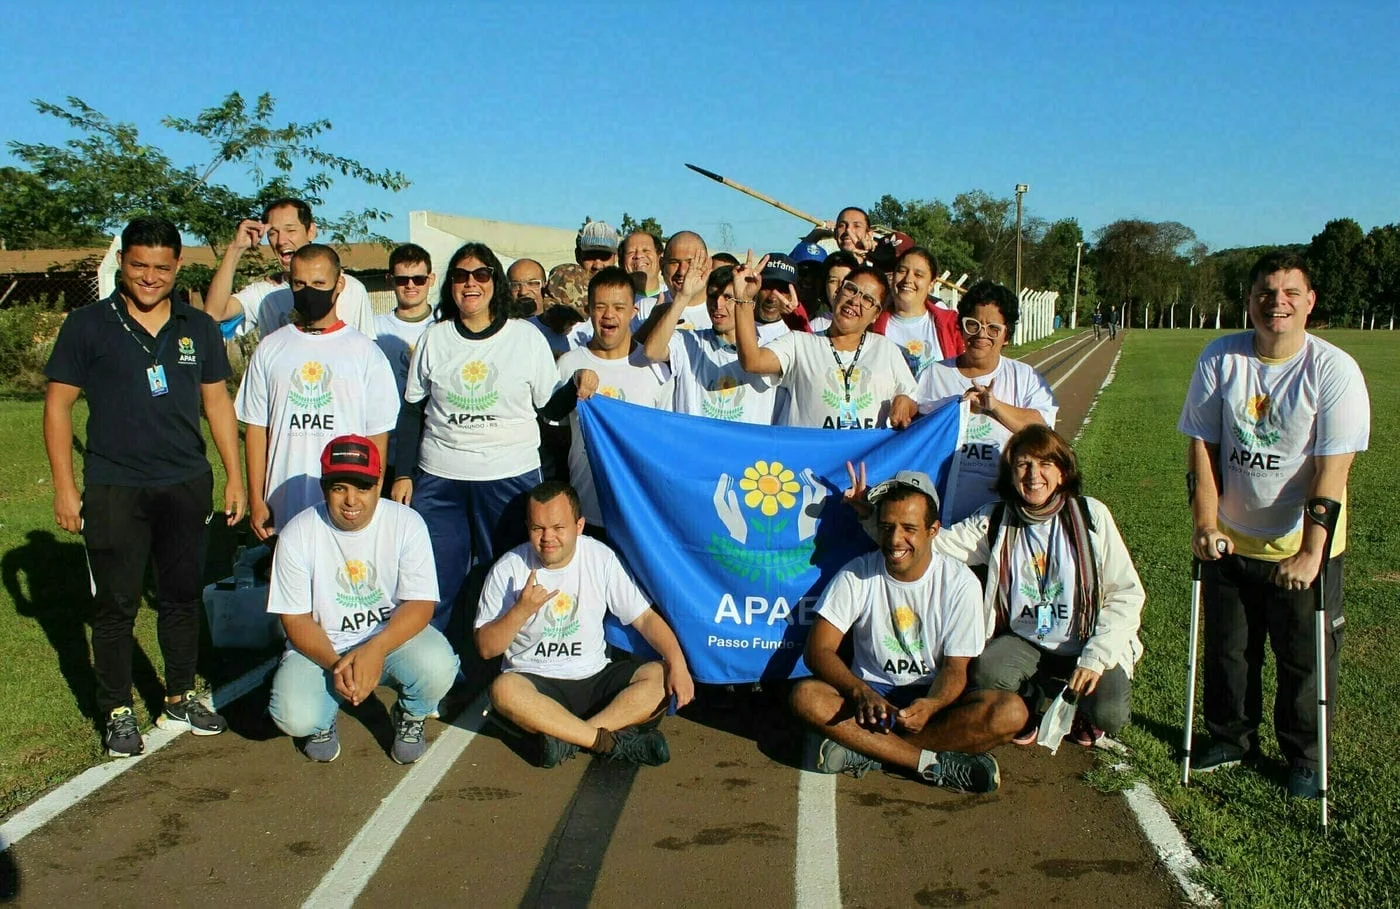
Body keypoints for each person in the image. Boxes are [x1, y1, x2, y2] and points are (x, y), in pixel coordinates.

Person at [43, 216, 245, 757]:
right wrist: (66, 488)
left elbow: (217, 403)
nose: (150, 277)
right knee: (116, 605)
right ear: (122, 264)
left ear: (177, 267)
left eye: (161, 267)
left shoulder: (198, 326)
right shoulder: (88, 325)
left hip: (184, 484)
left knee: (180, 597)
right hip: (115, 487)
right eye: (138, 266)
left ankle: (178, 695)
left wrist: (234, 476)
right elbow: (58, 406)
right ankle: (115, 709)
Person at [1178, 251, 1370, 799]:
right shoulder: (1221, 358)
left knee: (1303, 660)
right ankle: (1230, 737)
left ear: (1309, 302)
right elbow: (1204, 449)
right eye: (1265, 293)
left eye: (1289, 293)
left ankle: (1305, 755)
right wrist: (1204, 523)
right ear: (1250, 301)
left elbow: (1333, 470)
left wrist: (1311, 553)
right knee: (1228, 651)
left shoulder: (1333, 370)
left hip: (1299, 542)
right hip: (1232, 537)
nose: (1276, 303)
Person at [894, 426, 1146, 747]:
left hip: (1085, 641)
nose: (1033, 475)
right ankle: (1028, 701)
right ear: (1011, 474)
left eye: (1045, 464)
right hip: (1026, 639)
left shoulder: (1091, 515)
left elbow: (1125, 594)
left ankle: (1084, 710)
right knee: (986, 673)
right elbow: (932, 545)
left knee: (1109, 714)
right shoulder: (996, 520)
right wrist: (875, 517)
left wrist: (1094, 659)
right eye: (1023, 465)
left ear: (1062, 472)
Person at [789, 471, 1023, 792]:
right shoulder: (857, 573)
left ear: (933, 531)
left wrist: (935, 704)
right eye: (887, 527)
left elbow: (956, 669)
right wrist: (860, 692)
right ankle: (929, 764)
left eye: (909, 529)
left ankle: (868, 750)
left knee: (1010, 713)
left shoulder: (960, 583)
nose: (895, 539)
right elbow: (818, 650)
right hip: (870, 700)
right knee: (806, 696)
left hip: (930, 699)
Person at [392, 242, 562, 633]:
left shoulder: (525, 338)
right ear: (450, 284)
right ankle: (438, 670)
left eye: (481, 274)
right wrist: (403, 474)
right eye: (461, 275)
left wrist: (580, 386)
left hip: (509, 477)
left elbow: (550, 408)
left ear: (495, 282)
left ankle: (500, 671)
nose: (471, 283)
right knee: (435, 579)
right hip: (440, 478)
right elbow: (413, 410)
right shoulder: (435, 338)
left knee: (505, 576)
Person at [266, 436, 459, 764]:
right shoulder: (298, 532)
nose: (351, 500)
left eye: (363, 487)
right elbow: (295, 619)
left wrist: (375, 649)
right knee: (293, 716)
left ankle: (411, 714)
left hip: (388, 641)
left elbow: (420, 604)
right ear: (325, 487)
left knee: (439, 667)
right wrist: (337, 666)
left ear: (379, 482)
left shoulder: (406, 523)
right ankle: (321, 721)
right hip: (325, 647)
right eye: (340, 487)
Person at [476, 481, 695, 767]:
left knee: (662, 676)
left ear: (579, 526)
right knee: (503, 689)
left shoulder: (600, 557)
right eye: (537, 528)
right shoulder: (509, 568)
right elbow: (486, 649)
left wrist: (678, 664)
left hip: (593, 676)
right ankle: (605, 742)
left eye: (558, 527)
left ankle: (566, 737)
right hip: (535, 681)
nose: (547, 538)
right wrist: (521, 610)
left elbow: (644, 618)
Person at [236, 244, 399, 539]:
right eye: (300, 283)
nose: (309, 291)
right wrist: (257, 498)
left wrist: (370, 496)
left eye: (319, 284)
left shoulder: (365, 352)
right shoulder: (270, 348)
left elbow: (377, 435)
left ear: (339, 284)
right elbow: (257, 429)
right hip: (282, 502)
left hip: (344, 506)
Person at [915, 280, 1058, 523]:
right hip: (940, 511)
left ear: (1006, 336)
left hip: (1004, 514)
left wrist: (993, 406)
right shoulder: (933, 375)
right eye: (972, 325)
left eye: (993, 329)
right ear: (960, 328)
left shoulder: (1024, 377)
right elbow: (916, 432)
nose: (981, 334)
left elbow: (1042, 429)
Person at [555, 266, 674, 532]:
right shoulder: (569, 364)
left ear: (633, 312)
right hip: (585, 514)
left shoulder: (654, 369)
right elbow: (558, 441)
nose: (609, 315)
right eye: (600, 307)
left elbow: (665, 442)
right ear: (588, 309)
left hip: (639, 514)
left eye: (619, 307)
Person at [735, 260, 918, 430]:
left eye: (868, 300)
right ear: (837, 293)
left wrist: (905, 401)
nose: (855, 301)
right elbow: (752, 361)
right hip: (810, 464)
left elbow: (914, 401)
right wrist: (743, 300)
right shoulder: (800, 344)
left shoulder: (886, 350)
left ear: (877, 314)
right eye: (851, 290)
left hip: (864, 464)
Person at [202, 198, 377, 339]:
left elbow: (368, 353)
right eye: (273, 233)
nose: (281, 241)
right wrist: (236, 248)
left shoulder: (352, 289)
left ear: (311, 231)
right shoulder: (265, 294)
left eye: (290, 230)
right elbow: (214, 314)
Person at [641, 260, 780, 423]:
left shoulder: (769, 350)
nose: (718, 305)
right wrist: (683, 297)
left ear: (748, 301)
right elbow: (651, 352)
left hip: (744, 448)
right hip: (695, 447)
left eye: (728, 297)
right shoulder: (688, 341)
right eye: (713, 296)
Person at [375, 244, 437, 480]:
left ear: (431, 279)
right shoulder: (373, 328)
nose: (410, 285)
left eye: (418, 279)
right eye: (402, 279)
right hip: (385, 447)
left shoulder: (445, 326)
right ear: (390, 280)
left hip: (434, 450)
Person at [871, 247, 962, 380]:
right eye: (902, 271)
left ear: (931, 284)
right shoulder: (872, 324)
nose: (908, 279)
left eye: (918, 275)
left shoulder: (952, 324)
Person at [641, 230, 711, 330]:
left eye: (690, 262)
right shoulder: (645, 308)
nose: (681, 271)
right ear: (662, 265)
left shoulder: (722, 310)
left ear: (707, 265)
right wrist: (650, 325)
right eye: (674, 262)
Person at [810, 250, 860, 334]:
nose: (840, 287)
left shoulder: (865, 323)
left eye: (846, 281)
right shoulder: (813, 328)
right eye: (833, 281)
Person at [620, 230, 666, 312]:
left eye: (646, 250)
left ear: (660, 259)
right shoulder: (616, 301)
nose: (638, 256)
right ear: (621, 263)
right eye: (631, 252)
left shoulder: (674, 296)